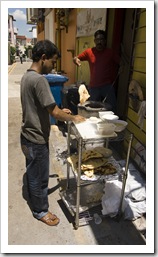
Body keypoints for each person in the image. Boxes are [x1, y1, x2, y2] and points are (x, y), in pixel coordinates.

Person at [20, 40, 85, 226]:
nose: (54, 65)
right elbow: (53, 112)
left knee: (33, 172)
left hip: (26, 135)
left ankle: (37, 204)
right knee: (38, 177)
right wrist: (74, 118)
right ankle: (40, 211)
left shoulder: (27, 76)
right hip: (36, 139)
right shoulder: (40, 80)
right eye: (53, 61)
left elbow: (40, 105)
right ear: (43, 58)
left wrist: (58, 111)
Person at [73, 30, 121, 112]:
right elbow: (76, 58)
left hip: (107, 86)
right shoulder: (89, 52)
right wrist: (76, 60)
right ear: (94, 41)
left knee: (112, 108)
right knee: (91, 109)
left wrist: (122, 68)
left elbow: (121, 63)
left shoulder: (110, 52)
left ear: (105, 41)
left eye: (101, 39)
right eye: (97, 40)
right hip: (94, 87)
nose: (99, 42)